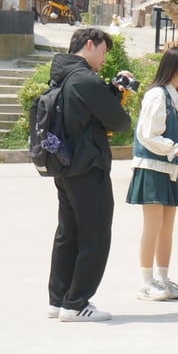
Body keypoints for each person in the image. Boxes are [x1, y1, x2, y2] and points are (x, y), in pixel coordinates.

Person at [47, 27, 135, 322]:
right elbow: (119, 122)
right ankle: (76, 303)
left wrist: (111, 91)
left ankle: (59, 300)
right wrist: (114, 98)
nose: (104, 58)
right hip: (89, 167)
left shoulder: (61, 76)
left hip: (65, 166)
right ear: (89, 44)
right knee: (94, 236)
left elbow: (84, 116)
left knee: (68, 234)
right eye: (103, 51)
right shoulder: (85, 79)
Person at [126, 47, 178, 301]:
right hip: (152, 166)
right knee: (153, 226)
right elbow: (147, 134)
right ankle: (146, 282)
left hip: (171, 167)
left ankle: (163, 278)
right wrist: (173, 149)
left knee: (167, 228)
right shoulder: (157, 95)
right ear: (172, 67)